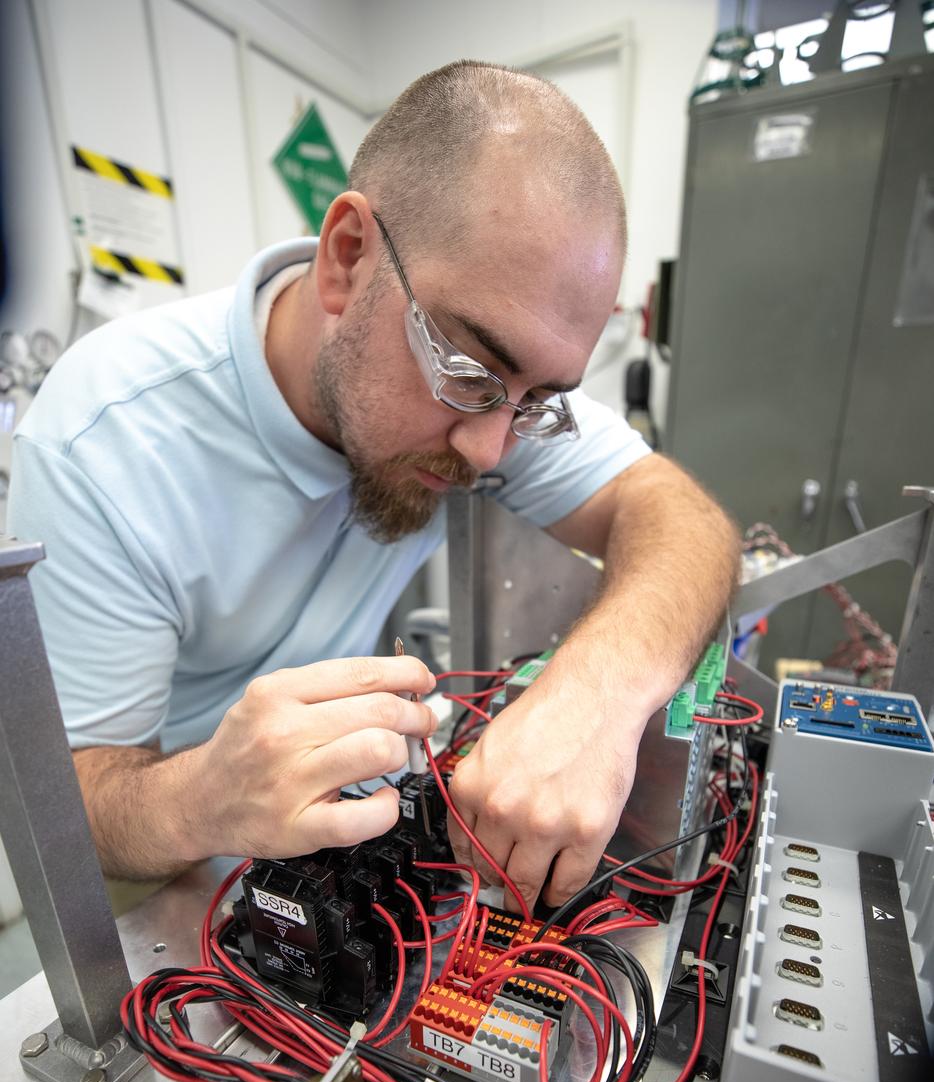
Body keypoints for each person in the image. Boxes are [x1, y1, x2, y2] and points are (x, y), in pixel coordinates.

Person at [8, 61, 737, 914]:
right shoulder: (109, 436)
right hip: (172, 877)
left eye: (538, 400)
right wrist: (206, 796)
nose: (490, 449)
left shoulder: (492, 407)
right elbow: (70, 806)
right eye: (467, 371)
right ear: (347, 259)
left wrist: (595, 696)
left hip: (353, 836)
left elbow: (681, 516)